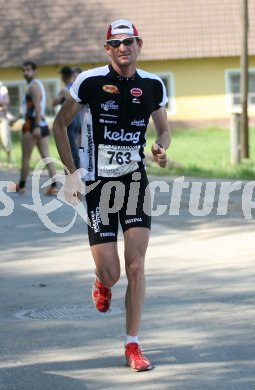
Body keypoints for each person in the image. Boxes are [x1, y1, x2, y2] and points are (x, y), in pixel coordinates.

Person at [53, 19, 170, 372]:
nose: (124, 47)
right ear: (108, 49)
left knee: (136, 266)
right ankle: (102, 282)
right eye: (116, 43)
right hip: (99, 185)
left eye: (130, 41)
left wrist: (160, 147)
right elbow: (59, 124)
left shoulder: (152, 85)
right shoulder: (89, 81)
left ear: (139, 45)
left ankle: (132, 345)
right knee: (113, 272)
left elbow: (163, 129)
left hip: (134, 181)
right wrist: (72, 173)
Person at [16, 60, 57, 194]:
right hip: (41, 123)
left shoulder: (33, 86)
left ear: (34, 71)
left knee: (26, 157)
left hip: (34, 124)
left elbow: (38, 107)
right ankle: (54, 186)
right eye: (24, 70)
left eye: (28, 70)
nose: (25, 72)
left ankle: (21, 185)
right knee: (46, 156)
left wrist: (37, 126)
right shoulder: (37, 85)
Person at [52, 66, 80, 169]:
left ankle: (75, 170)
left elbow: (53, 103)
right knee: (78, 145)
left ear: (63, 77)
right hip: (78, 120)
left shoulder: (64, 89)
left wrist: (61, 99)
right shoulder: (76, 86)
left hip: (69, 120)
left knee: (71, 147)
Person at [0, 82, 13, 167]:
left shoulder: (3, 89)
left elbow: (6, 102)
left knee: (5, 140)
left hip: (3, 118)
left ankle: (10, 159)